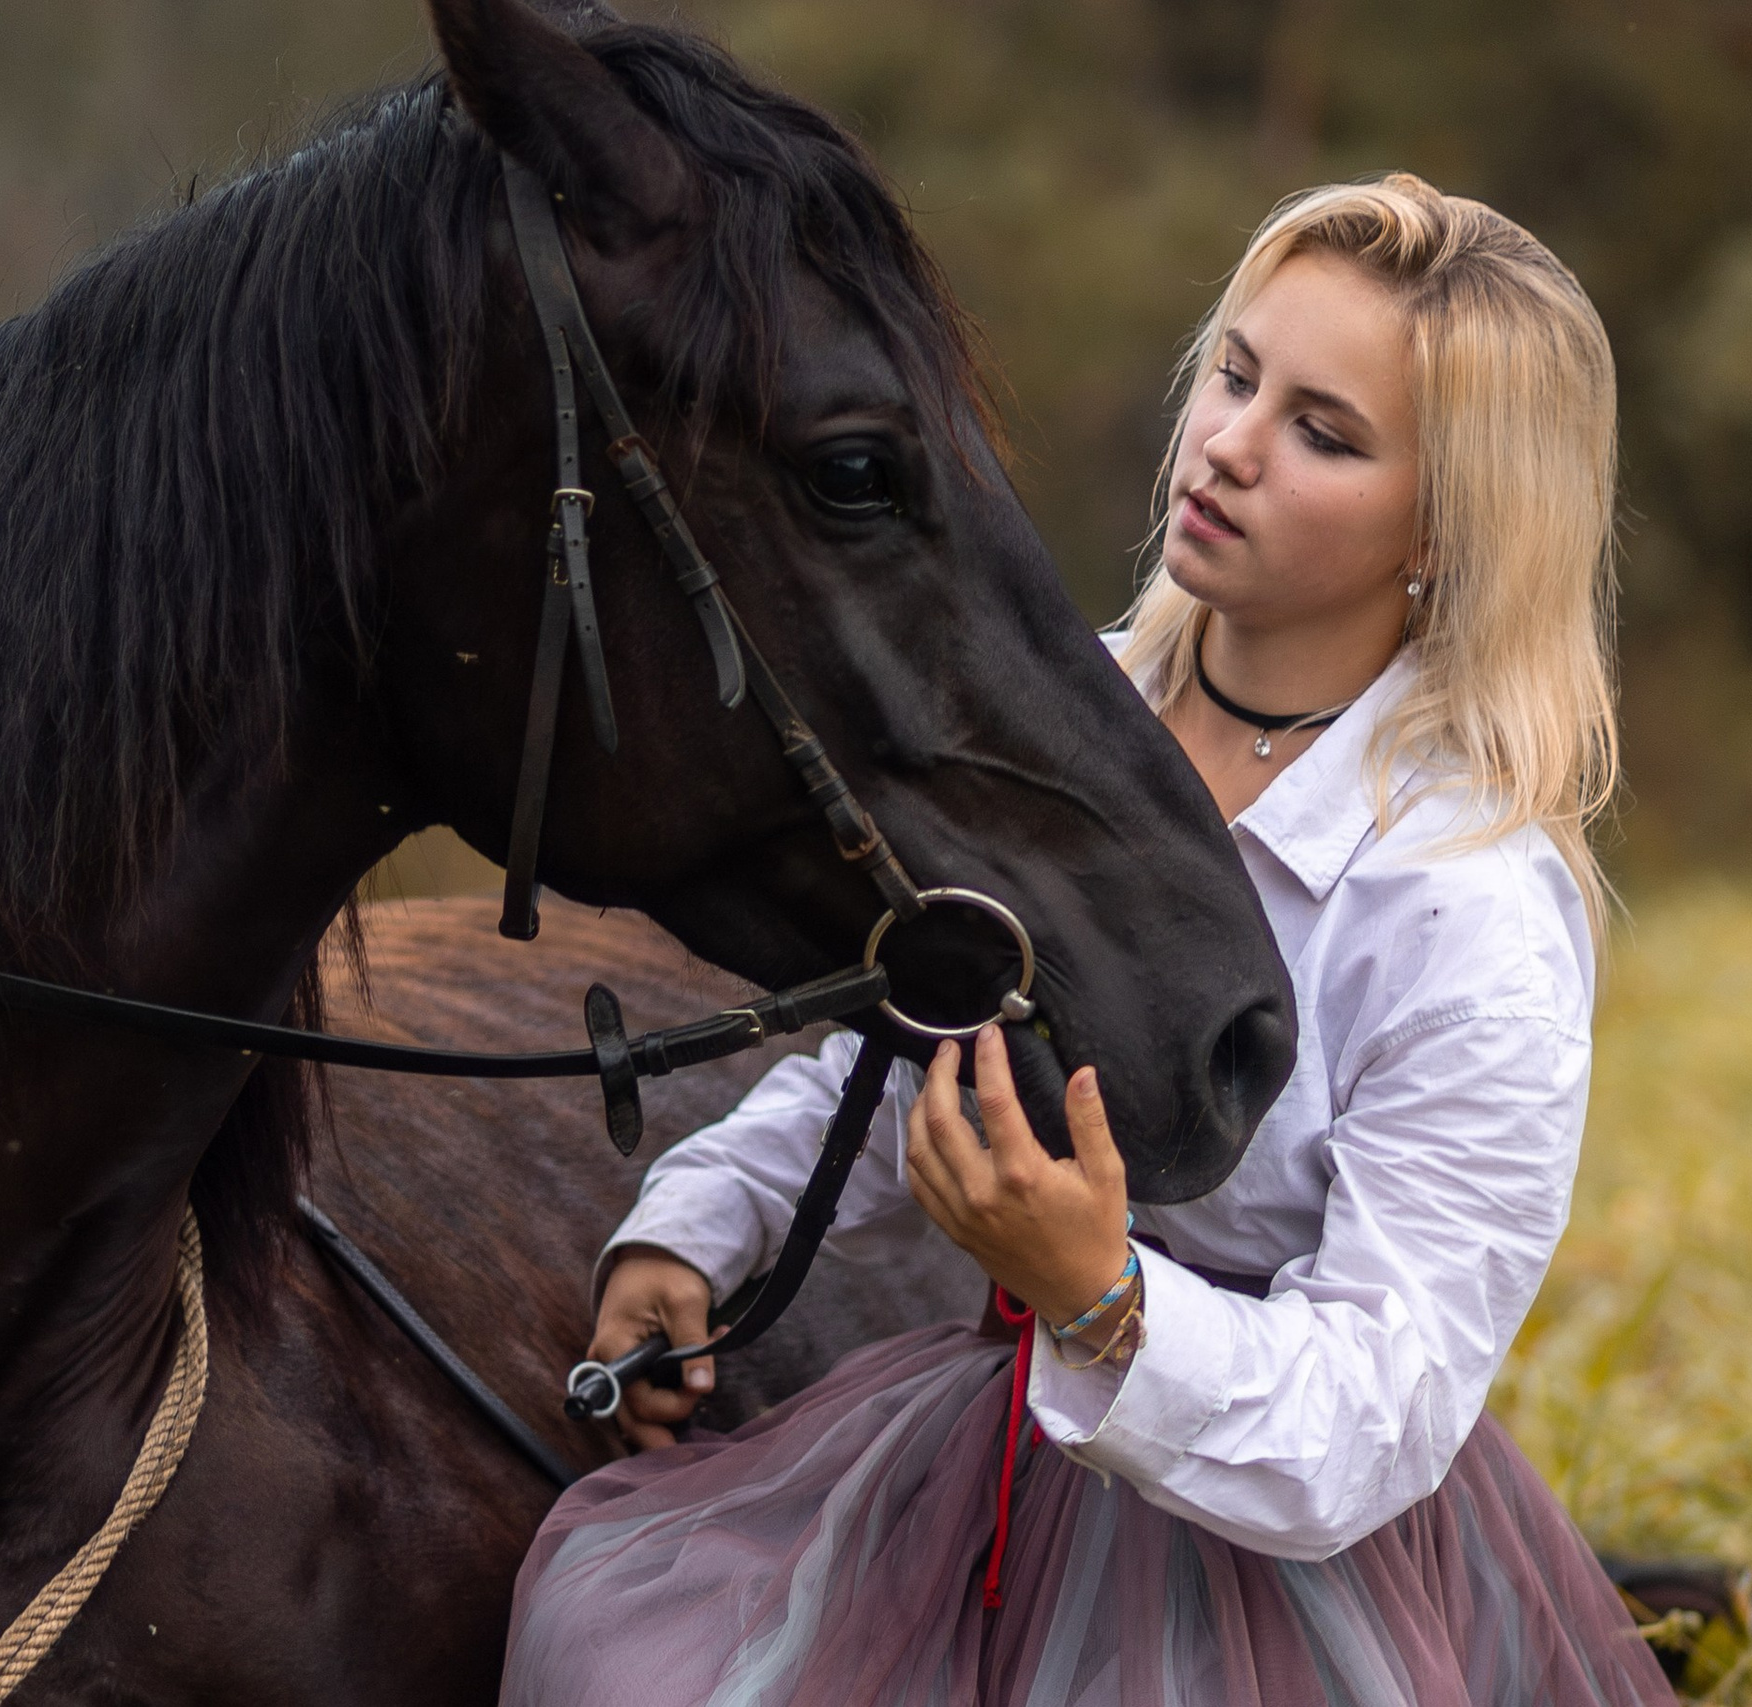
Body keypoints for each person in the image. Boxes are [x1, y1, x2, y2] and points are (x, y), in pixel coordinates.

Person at [500, 173, 1676, 1707]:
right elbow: (912, 1055)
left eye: (1324, 434)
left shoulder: (1466, 910)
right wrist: (706, 1219)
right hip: (974, 1460)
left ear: (1447, 531)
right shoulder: (1062, 723)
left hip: (1275, 1586)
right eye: (1237, 376)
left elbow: (1378, 1412)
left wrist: (1100, 1295)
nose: (1230, 444)